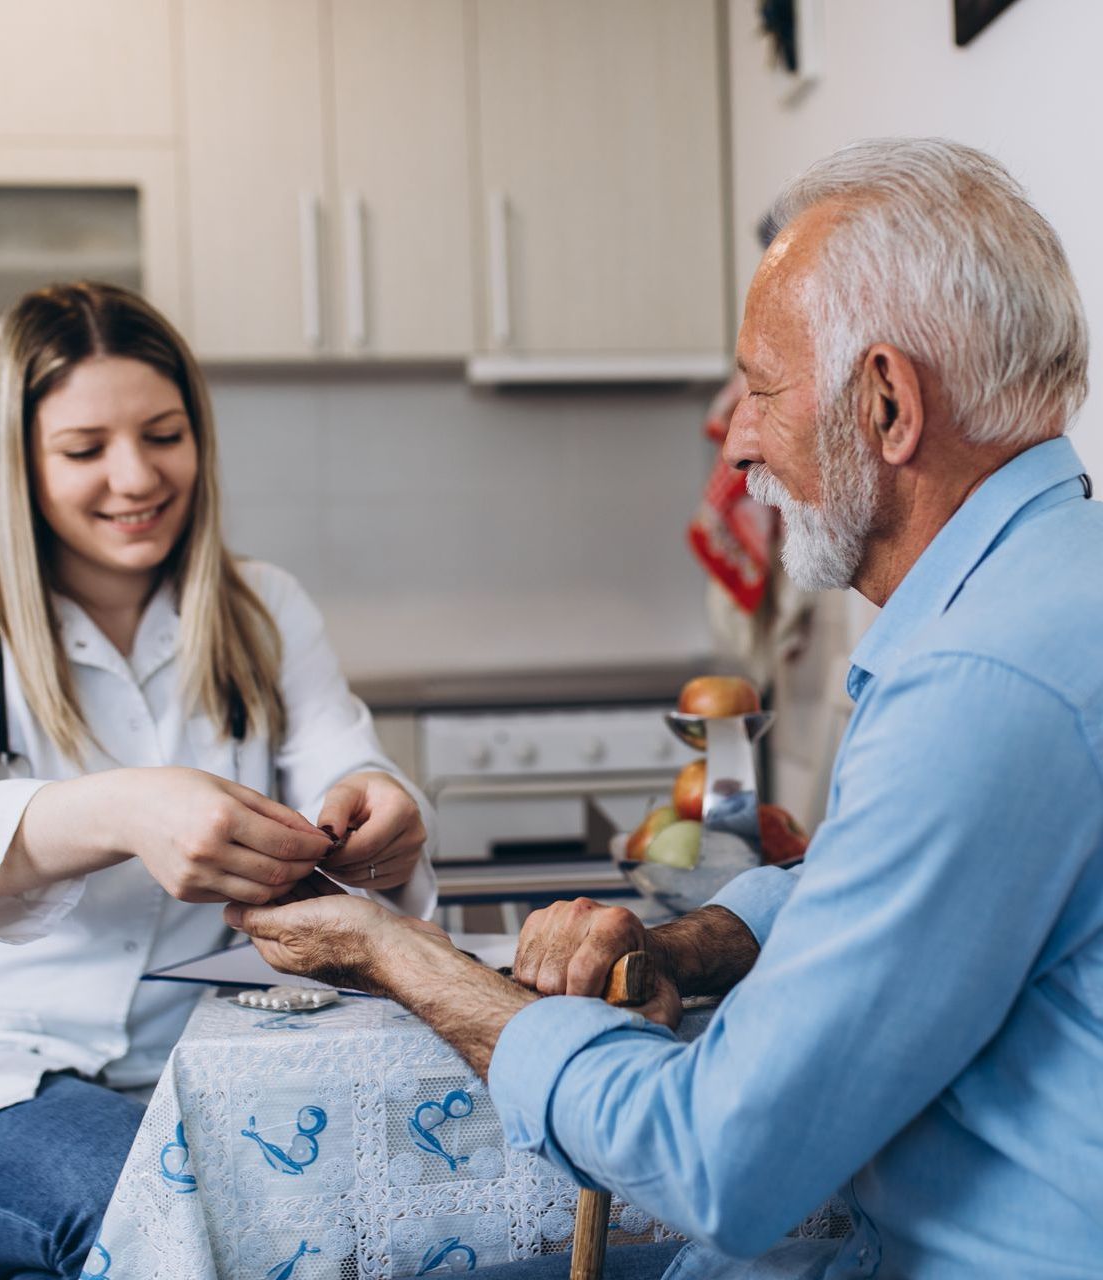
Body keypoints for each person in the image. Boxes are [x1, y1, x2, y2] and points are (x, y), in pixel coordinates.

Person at [223, 138, 1103, 1279]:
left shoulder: (984, 679)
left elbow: (717, 1159)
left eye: (760, 388)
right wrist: (692, 940)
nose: (736, 442)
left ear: (885, 401)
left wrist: (403, 957)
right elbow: (895, 888)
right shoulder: (1046, 586)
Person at [0, 281, 437, 1280]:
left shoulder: (262, 607)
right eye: (83, 449)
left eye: (163, 434)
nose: (135, 476)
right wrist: (119, 807)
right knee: (153, 1205)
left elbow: (342, 757)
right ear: (19, 460)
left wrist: (380, 810)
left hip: (192, 1071)